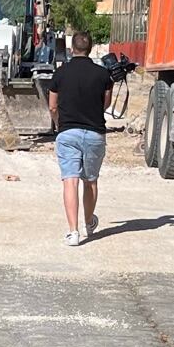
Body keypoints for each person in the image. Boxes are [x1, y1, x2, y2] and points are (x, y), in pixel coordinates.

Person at [49, 31, 111, 246]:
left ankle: (73, 232)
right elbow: (106, 104)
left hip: (67, 133)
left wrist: (59, 123)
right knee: (91, 181)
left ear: (71, 48)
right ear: (91, 48)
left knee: (70, 181)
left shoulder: (60, 73)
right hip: (95, 133)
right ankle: (89, 223)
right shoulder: (103, 74)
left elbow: (52, 105)